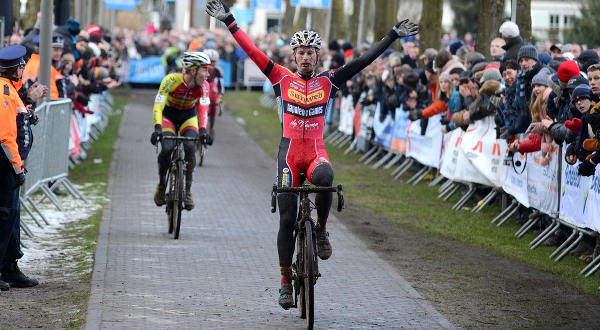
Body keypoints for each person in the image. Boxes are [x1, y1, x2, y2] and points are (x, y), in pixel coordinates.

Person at [205, 0, 418, 309]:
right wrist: (230, 22)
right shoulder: (281, 77)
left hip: (315, 152)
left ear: (318, 56)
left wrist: (391, 36)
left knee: (326, 176)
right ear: (294, 56)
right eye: (300, 53)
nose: (305, 58)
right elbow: (253, 51)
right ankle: (285, 283)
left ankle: (320, 230)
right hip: (289, 155)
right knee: (287, 218)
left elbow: (362, 61)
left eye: (310, 53)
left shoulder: (329, 81)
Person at [151, 52, 214, 211]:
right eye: (205, 70)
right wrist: (158, 128)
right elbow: (158, 105)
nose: (208, 74)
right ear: (193, 71)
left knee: (191, 147)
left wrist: (203, 131)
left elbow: (203, 108)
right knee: (167, 148)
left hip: (188, 116)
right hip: (169, 116)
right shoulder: (170, 80)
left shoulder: (204, 86)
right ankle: (162, 184)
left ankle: (187, 191)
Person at [0, 45, 40, 290]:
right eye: (22, 66)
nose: (24, 70)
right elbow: (5, 136)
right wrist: (17, 168)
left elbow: (18, 119)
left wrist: (28, 109)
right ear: (15, 69)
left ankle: (9, 267)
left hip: (11, 166)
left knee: (11, 217)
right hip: (6, 166)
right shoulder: (4, 91)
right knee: (5, 216)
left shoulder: (11, 91)